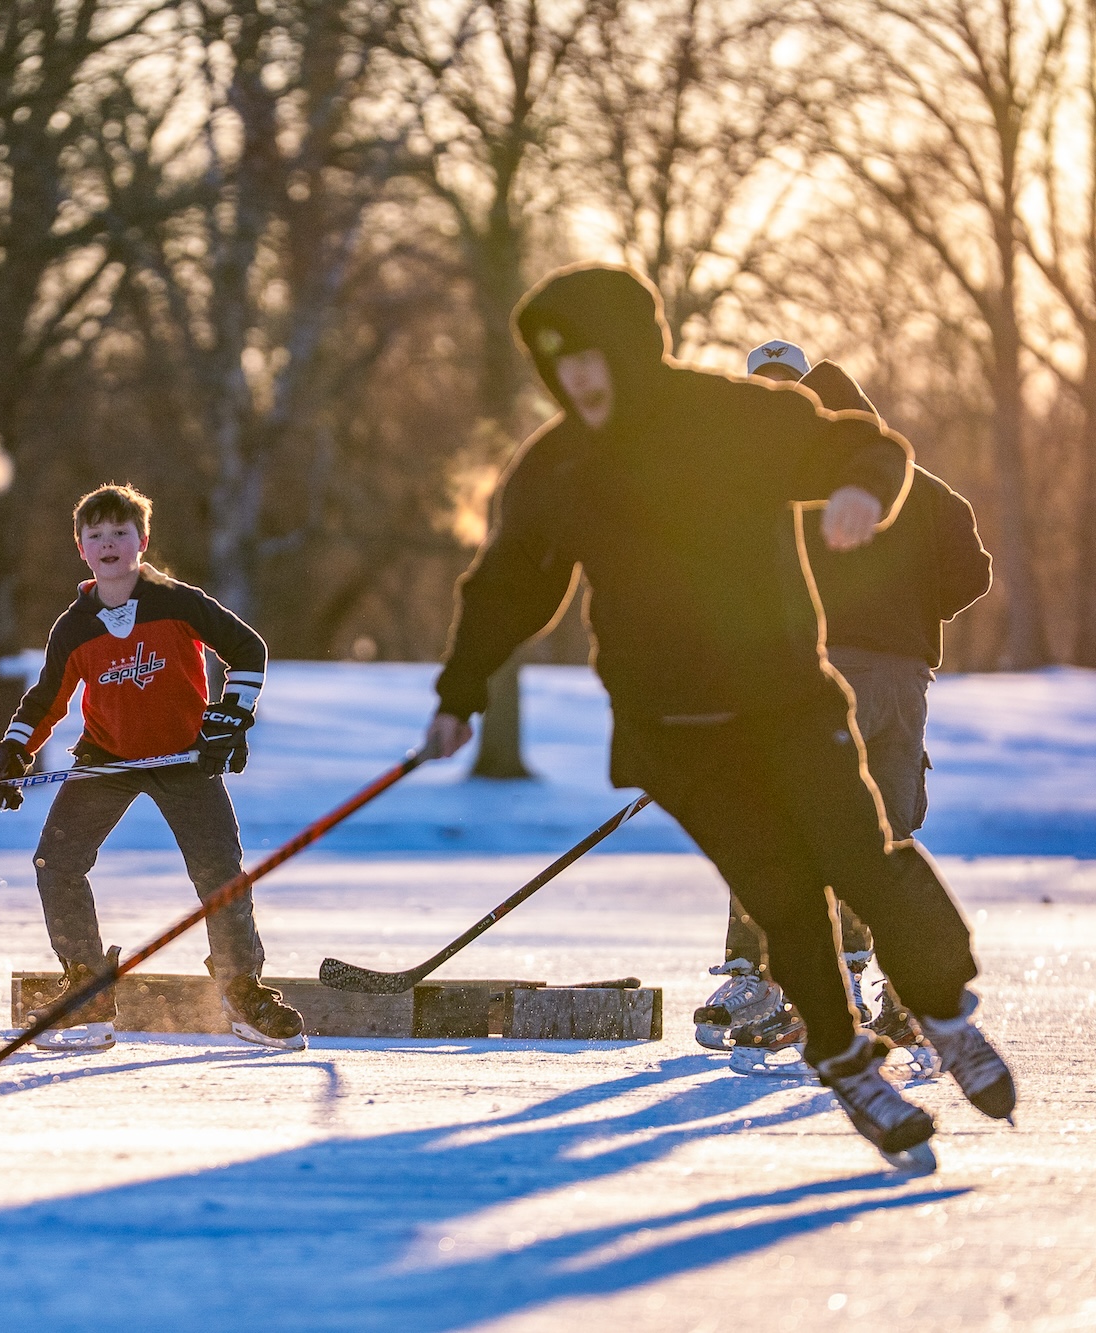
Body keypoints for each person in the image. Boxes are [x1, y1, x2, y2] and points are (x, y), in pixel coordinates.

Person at [424, 263, 1015, 1167]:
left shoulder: (728, 417)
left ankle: (943, 1012)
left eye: (594, 357)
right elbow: (508, 585)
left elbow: (867, 444)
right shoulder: (558, 464)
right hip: (673, 732)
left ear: (634, 349)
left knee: (863, 855)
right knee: (781, 894)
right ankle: (844, 1059)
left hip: (787, 698)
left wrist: (861, 487)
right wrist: (460, 693)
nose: (580, 380)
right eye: (561, 365)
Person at [700, 345, 994, 1077]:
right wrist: (913, 616)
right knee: (881, 830)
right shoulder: (924, 487)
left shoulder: (788, 483)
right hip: (902, 680)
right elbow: (974, 572)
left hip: (818, 670)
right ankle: (885, 983)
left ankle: (763, 980)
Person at [0, 483, 304, 1052]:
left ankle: (242, 991)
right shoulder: (74, 626)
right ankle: (87, 996)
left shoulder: (179, 602)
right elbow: (47, 698)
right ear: (81, 548)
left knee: (220, 872)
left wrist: (231, 716)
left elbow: (249, 650)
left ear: (142, 541)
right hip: (107, 761)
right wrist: (13, 750)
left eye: (120, 533)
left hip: (185, 759)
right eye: (95, 535)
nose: (108, 544)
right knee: (57, 861)